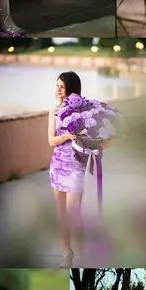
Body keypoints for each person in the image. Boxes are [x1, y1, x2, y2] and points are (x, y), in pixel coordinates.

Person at [48, 71, 89, 268]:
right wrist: (66, 136)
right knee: (61, 212)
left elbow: (90, 136)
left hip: (76, 165)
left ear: (72, 88)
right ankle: (67, 254)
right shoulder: (54, 111)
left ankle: (83, 254)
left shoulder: (84, 112)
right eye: (57, 85)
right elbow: (51, 141)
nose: (58, 90)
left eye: (62, 86)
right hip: (58, 165)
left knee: (74, 211)